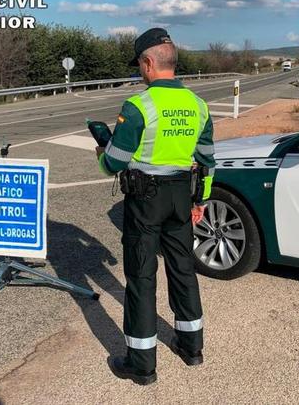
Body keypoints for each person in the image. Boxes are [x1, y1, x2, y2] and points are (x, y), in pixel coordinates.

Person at [96, 28, 215, 385]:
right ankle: (191, 347)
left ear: (149, 63)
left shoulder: (138, 107)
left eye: (139, 66)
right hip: (182, 197)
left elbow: (114, 163)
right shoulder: (198, 105)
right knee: (182, 270)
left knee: (142, 278)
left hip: (145, 200)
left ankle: (142, 365)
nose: (140, 72)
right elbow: (207, 159)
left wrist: (102, 148)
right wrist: (202, 200)